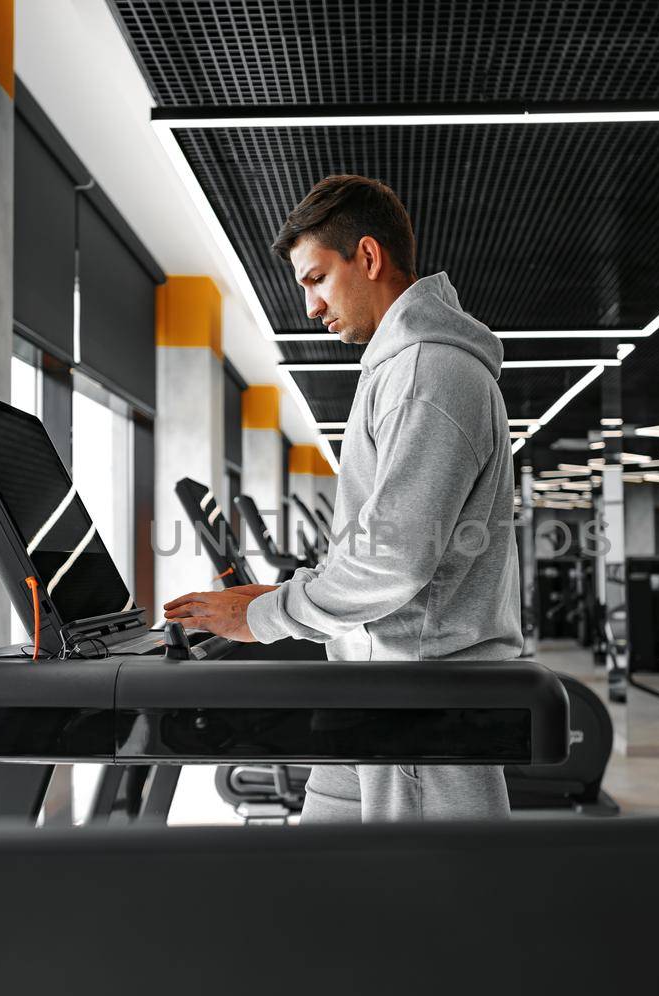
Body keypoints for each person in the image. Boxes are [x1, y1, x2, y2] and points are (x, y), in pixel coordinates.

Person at [162, 174, 520, 822]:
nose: (311, 306)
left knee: (408, 914)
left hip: (415, 706)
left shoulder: (426, 376)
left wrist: (269, 614)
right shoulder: (400, 371)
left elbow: (395, 560)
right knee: (326, 889)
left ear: (369, 257)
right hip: (377, 686)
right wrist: (280, 600)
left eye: (316, 278)